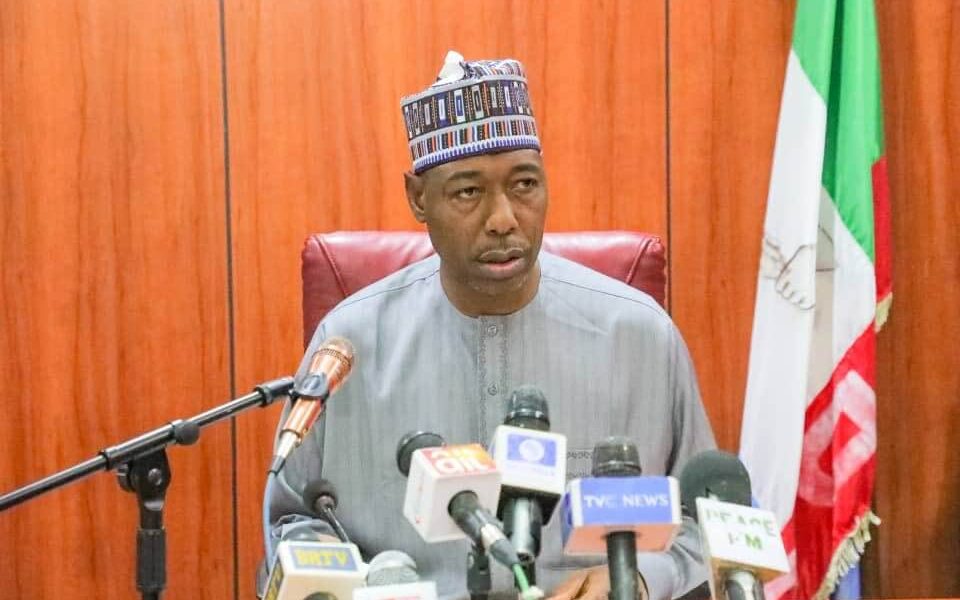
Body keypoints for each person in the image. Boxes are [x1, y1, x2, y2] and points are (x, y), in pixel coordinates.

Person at [262, 51, 716, 600]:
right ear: (419, 199)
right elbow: (291, 525)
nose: (503, 219)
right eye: (468, 192)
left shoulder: (639, 337)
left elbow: (705, 524)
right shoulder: (349, 345)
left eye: (524, 184)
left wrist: (638, 579)